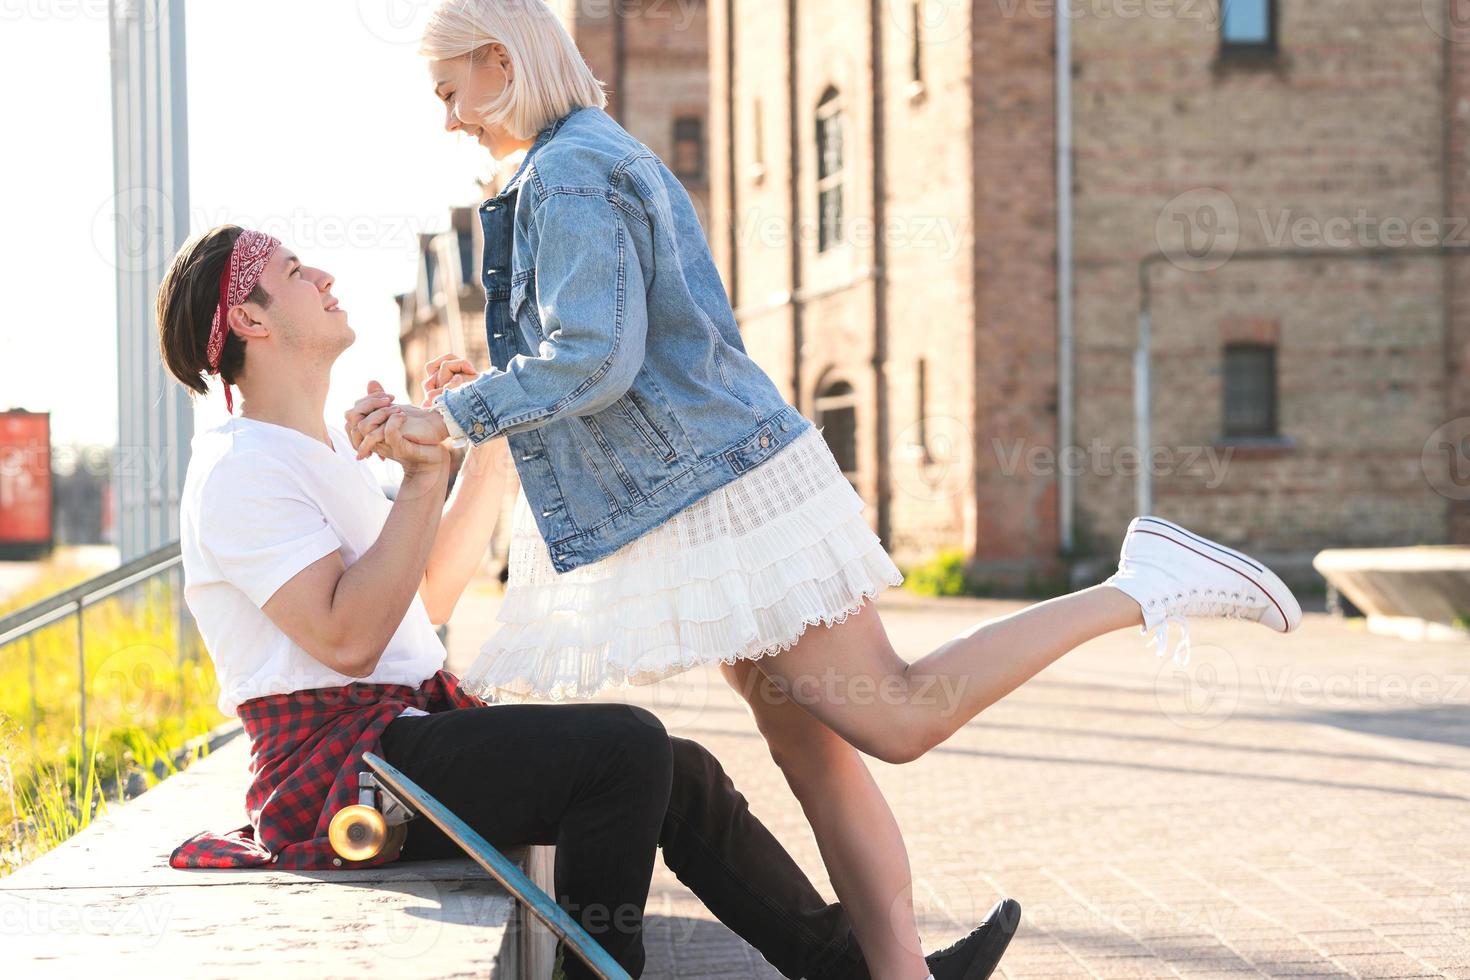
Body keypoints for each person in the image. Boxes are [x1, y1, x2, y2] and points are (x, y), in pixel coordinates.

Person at [350, 3, 1305, 977]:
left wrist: (456, 420)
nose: (449, 117)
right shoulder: (571, 161)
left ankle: (1137, 584)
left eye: (448, 90)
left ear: (498, 61)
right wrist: (491, 392)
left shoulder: (566, 170)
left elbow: (595, 354)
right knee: (809, 748)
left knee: (895, 714)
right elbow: (603, 350)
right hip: (702, 486)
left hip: (723, 488)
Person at [156, 224, 1020, 980]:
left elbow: (421, 597)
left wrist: (479, 446)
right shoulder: (240, 472)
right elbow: (347, 641)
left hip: (396, 740)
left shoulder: (307, 455)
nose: (326, 279)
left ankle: (849, 971)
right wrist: (423, 475)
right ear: (249, 320)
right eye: (299, 271)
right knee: (624, 748)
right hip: (341, 772)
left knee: (680, 772)